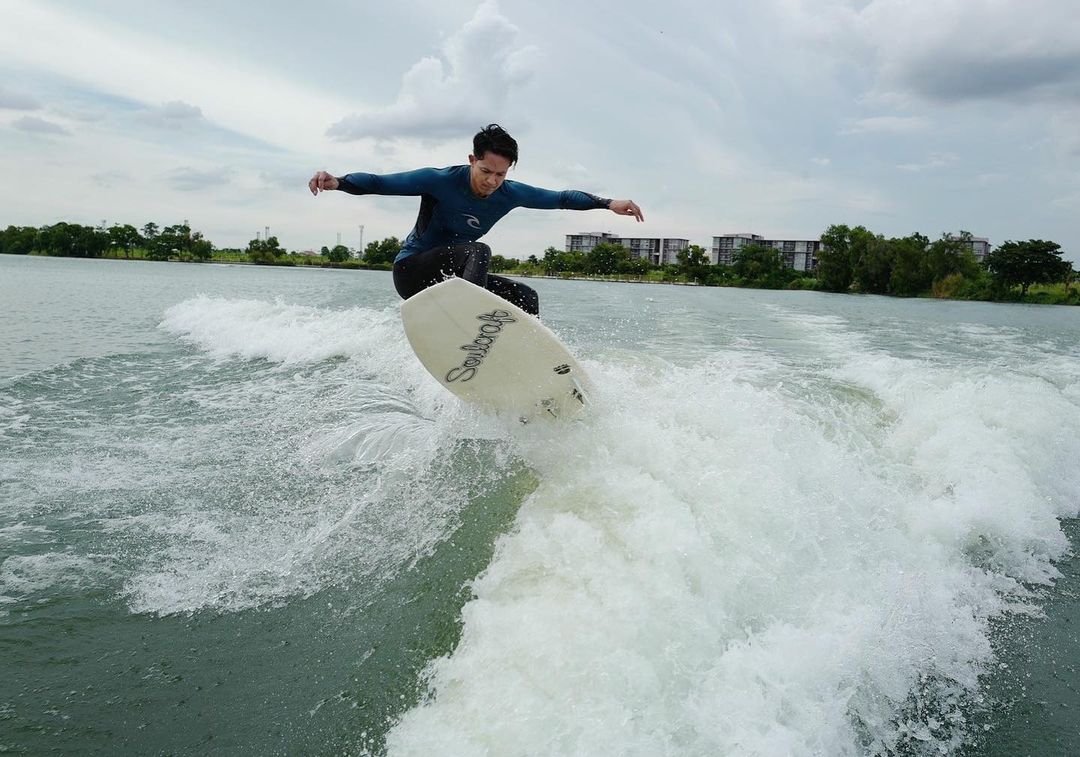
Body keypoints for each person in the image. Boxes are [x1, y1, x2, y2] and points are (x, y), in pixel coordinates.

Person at [308, 124, 643, 316]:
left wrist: (608, 203)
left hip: (457, 282)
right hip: (413, 273)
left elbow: (561, 198)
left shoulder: (509, 193)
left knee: (526, 297)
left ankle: (521, 359)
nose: (492, 181)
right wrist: (337, 181)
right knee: (477, 250)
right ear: (472, 160)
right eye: (485, 171)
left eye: (500, 174)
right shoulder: (440, 180)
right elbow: (382, 183)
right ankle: (470, 326)